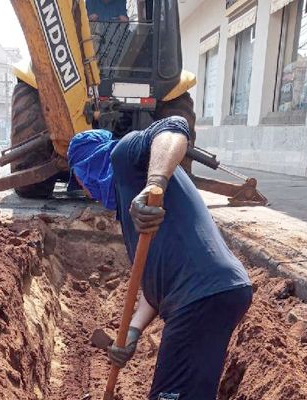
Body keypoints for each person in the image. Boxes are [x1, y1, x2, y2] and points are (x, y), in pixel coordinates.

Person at [67, 115, 252, 399]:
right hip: (212, 293)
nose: (84, 187)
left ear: (86, 166)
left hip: (199, 295)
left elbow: (174, 127)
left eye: (81, 177)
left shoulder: (124, 156)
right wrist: (132, 333)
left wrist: (154, 184)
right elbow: (155, 285)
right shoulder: (127, 209)